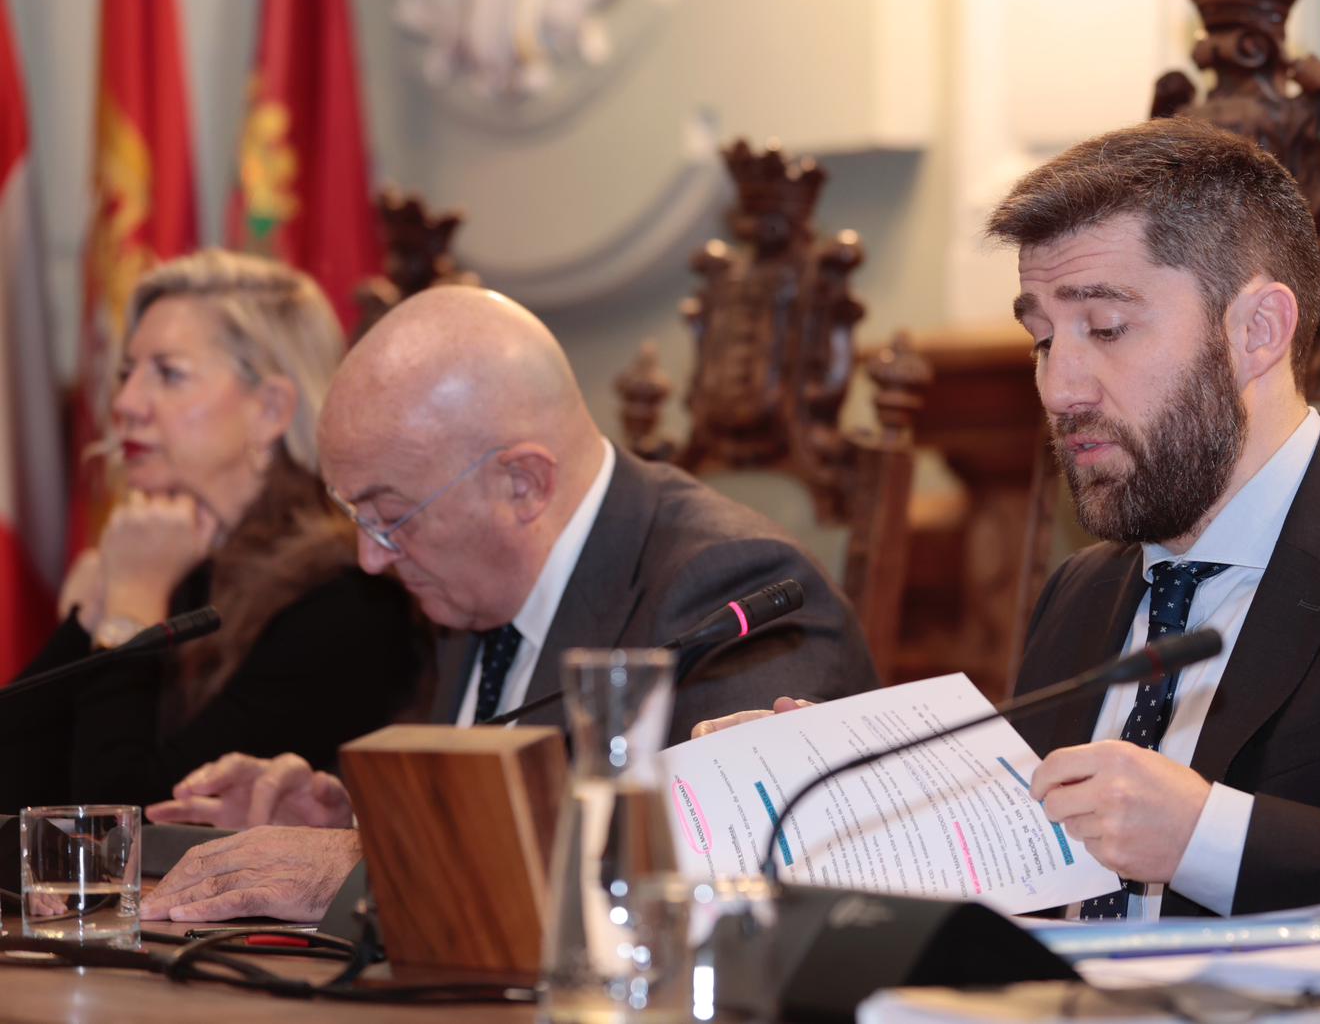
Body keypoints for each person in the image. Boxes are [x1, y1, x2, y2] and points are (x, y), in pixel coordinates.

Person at [698, 117, 1320, 948]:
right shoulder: (1084, 592)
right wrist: (864, 808)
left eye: (1106, 327)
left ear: (1258, 331)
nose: (1060, 388)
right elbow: (1041, 891)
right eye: (1044, 338)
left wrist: (1209, 840)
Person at [140, 284, 875, 923]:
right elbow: (493, 823)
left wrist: (370, 867)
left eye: (389, 516)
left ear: (523, 484)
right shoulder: (466, 583)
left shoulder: (732, 589)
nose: (371, 558)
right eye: (355, 515)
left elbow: (711, 879)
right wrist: (358, 823)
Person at [0, 250, 424, 812]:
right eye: (127, 374)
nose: (125, 404)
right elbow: (14, 792)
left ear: (270, 409)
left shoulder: (347, 597)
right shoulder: (169, 560)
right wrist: (92, 616)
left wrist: (130, 605)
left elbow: (128, 824)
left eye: (168, 374)